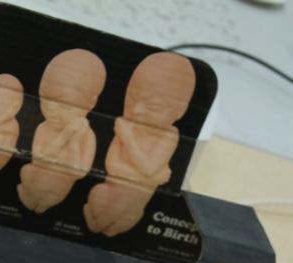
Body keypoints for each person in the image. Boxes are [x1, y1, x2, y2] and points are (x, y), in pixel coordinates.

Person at [84, 52, 196, 237]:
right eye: (131, 100)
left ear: (180, 110)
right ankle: (93, 221)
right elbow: (112, 166)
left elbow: (149, 168)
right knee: (98, 192)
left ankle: (99, 226)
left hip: (133, 207)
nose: (136, 110)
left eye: (153, 106)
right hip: (108, 194)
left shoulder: (168, 135)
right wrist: (148, 177)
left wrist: (128, 138)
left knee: (126, 215)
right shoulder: (126, 125)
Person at [17, 49, 106, 213]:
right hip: (33, 181)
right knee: (26, 170)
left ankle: (39, 204)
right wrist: (64, 137)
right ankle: (27, 196)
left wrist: (74, 142)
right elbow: (39, 160)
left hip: (57, 192)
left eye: (65, 105)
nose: (50, 109)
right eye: (45, 99)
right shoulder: (43, 127)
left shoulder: (87, 136)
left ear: (90, 103)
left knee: (43, 204)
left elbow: (79, 173)